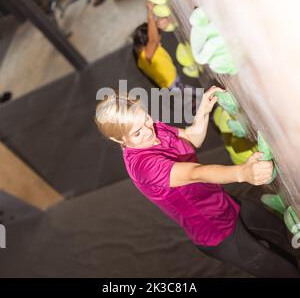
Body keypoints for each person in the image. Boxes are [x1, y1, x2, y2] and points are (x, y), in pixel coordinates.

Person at [94, 87, 300, 277]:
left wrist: (203, 110)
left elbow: (191, 139)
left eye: (146, 118)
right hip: (217, 232)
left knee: (283, 233)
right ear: (118, 140)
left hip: (224, 203)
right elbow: (195, 173)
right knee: (283, 272)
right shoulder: (143, 166)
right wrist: (242, 173)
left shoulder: (153, 127)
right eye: (137, 133)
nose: (148, 130)